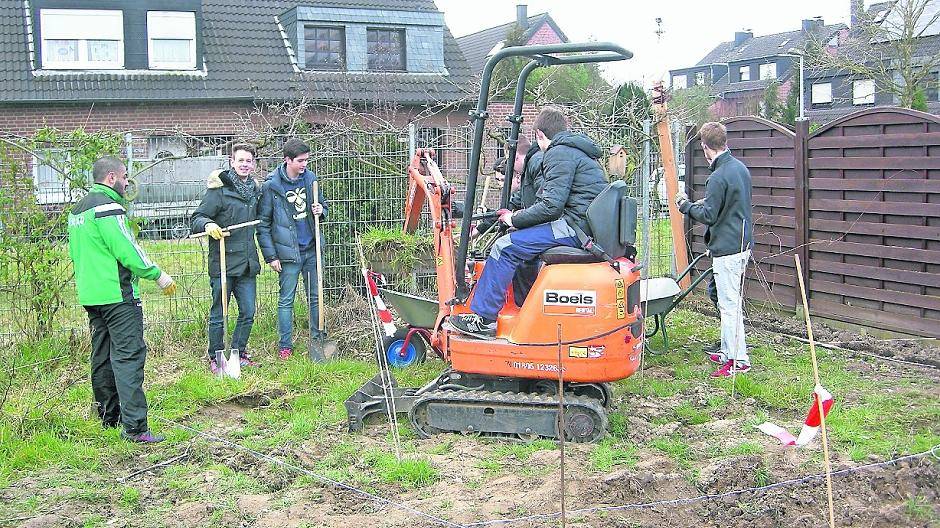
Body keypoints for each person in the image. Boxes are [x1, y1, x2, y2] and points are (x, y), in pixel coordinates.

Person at [451, 106, 607, 338]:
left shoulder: (558, 153)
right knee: (521, 246)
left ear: (539, 135)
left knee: (504, 247)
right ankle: (526, 312)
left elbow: (550, 206)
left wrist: (514, 218)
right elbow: (543, 200)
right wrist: (514, 220)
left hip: (576, 228)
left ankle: (484, 320)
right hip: (583, 225)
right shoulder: (578, 152)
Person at [67, 156, 177, 443]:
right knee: (128, 357)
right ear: (112, 177)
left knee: (102, 357)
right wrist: (157, 275)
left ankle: (109, 418)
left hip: (91, 295)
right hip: (118, 295)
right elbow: (127, 249)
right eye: (125, 176)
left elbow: (77, 254)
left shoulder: (77, 210)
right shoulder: (109, 208)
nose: (128, 182)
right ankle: (136, 428)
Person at [676, 122, 753, 378]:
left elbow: (709, 215)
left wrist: (685, 206)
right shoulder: (739, 169)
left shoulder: (718, 177)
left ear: (705, 147)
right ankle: (726, 351)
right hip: (741, 244)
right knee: (726, 300)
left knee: (729, 306)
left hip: (728, 250)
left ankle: (738, 360)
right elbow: (728, 206)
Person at [191, 143, 261, 373]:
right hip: (223, 262)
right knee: (219, 313)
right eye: (240, 160)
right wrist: (208, 224)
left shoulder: (254, 191)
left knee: (248, 312)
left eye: (248, 161)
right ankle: (216, 356)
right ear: (232, 162)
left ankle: (239, 352)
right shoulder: (219, 190)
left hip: (247, 263)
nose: (244, 165)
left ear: (253, 164)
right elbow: (197, 217)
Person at [257, 138, 328, 359]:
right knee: (286, 300)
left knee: (315, 297)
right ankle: (285, 346)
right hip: (287, 253)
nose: (304, 164)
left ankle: (318, 339)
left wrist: (321, 211)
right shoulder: (272, 186)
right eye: (300, 161)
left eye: (306, 160)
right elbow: (263, 224)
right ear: (287, 160)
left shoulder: (310, 179)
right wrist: (271, 256)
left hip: (311, 250)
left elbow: (323, 208)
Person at [473, 135, 544, 306]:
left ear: (516, 157)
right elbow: (509, 205)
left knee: (505, 248)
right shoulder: (530, 171)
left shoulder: (537, 164)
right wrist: (480, 228)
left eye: (509, 160)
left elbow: (545, 205)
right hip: (542, 228)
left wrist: (515, 219)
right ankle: (521, 306)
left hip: (546, 230)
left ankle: (485, 310)